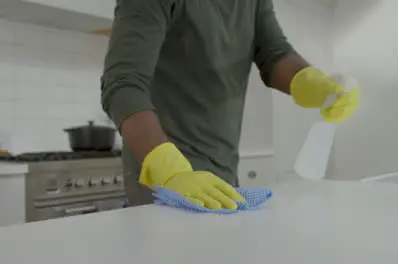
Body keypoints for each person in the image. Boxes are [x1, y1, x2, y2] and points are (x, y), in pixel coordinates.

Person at [100, 0, 359, 210]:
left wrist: (314, 83)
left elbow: (274, 53)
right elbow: (122, 84)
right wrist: (169, 171)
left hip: (224, 170)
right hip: (163, 180)